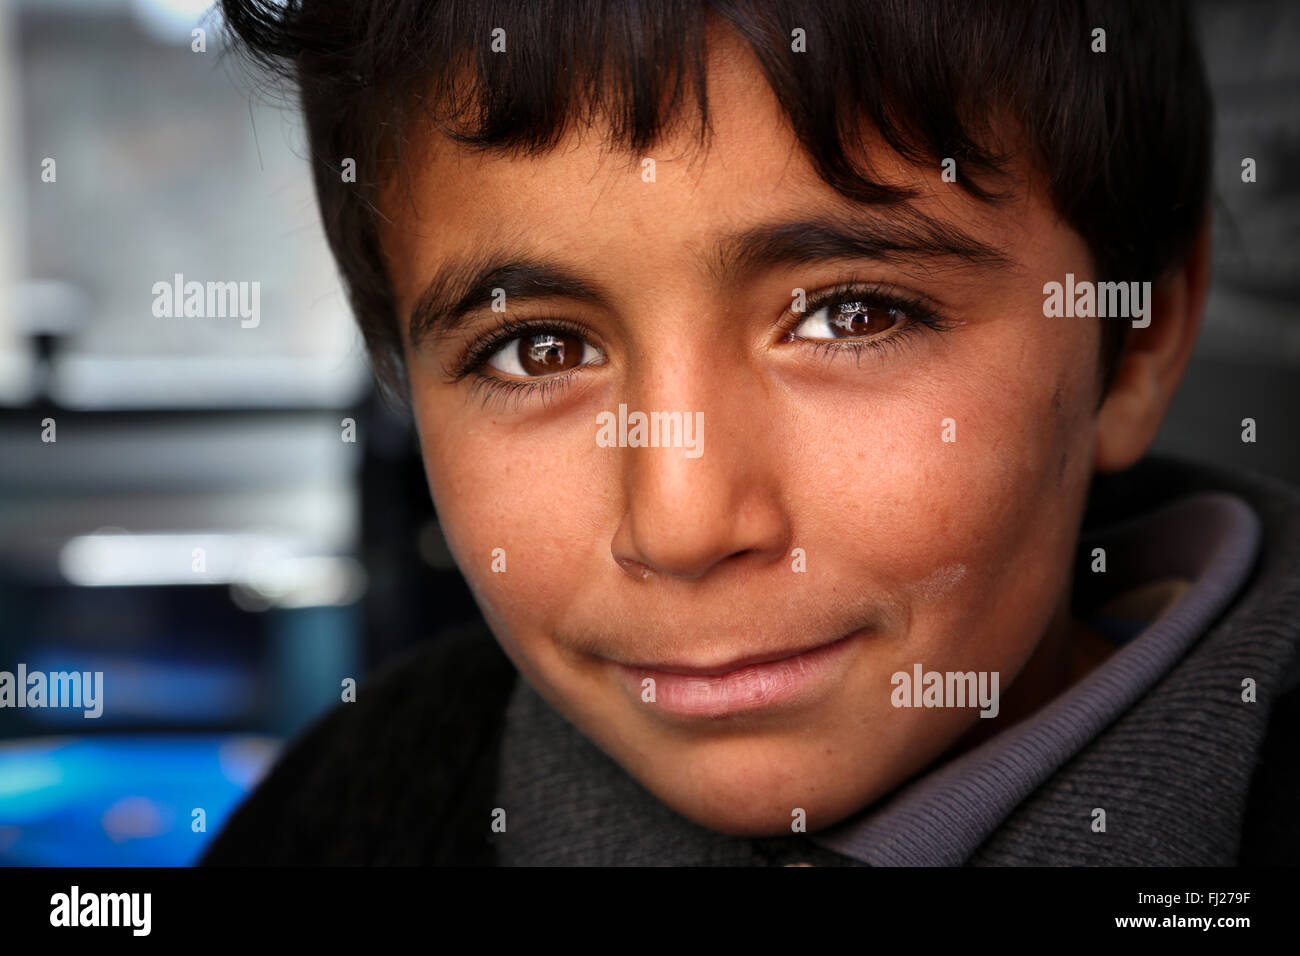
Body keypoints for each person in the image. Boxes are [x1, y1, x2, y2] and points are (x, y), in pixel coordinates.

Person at [201, 0, 1300, 866]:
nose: (679, 523)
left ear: (1137, 334)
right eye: (537, 349)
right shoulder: (356, 801)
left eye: (852, 314)